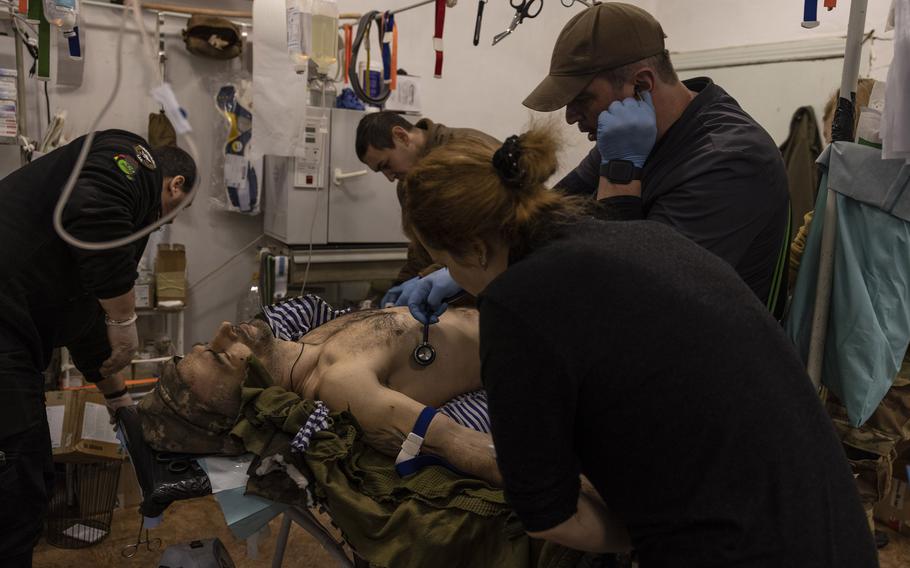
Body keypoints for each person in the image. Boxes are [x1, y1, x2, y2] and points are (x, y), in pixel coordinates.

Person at [398, 126, 877, 565]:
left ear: (474, 249)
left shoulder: (517, 304)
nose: (453, 279)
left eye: (443, 262)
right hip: (831, 527)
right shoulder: (646, 238)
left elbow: (549, 514)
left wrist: (646, 532)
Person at [407, 2, 791, 325]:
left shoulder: (730, 161)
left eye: (582, 99)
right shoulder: (634, 134)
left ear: (641, 85)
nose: (572, 117)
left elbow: (632, 297)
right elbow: (549, 219)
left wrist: (621, 176)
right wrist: (460, 270)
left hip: (712, 381)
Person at [0, 130, 196, 567]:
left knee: (29, 477)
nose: (167, 222)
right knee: (14, 484)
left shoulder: (116, 233)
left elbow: (83, 317)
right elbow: (93, 208)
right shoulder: (131, 158)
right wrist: (125, 319)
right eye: (176, 213)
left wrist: (119, 399)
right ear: (176, 186)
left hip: (14, 337)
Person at [139, 307, 501, 485]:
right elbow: (457, 443)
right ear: (251, 393)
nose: (223, 330)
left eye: (208, 344)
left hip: (509, 308)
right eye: (222, 354)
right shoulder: (340, 387)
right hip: (536, 350)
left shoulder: (306, 341)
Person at [355, 111, 498, 309]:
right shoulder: (406, 185)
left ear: (402, 136)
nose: (389, 177)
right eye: (382, 172)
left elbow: (489, 235)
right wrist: (403, 283)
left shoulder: (466, 153)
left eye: (386, 165)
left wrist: (428, 277)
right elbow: (421, 247)